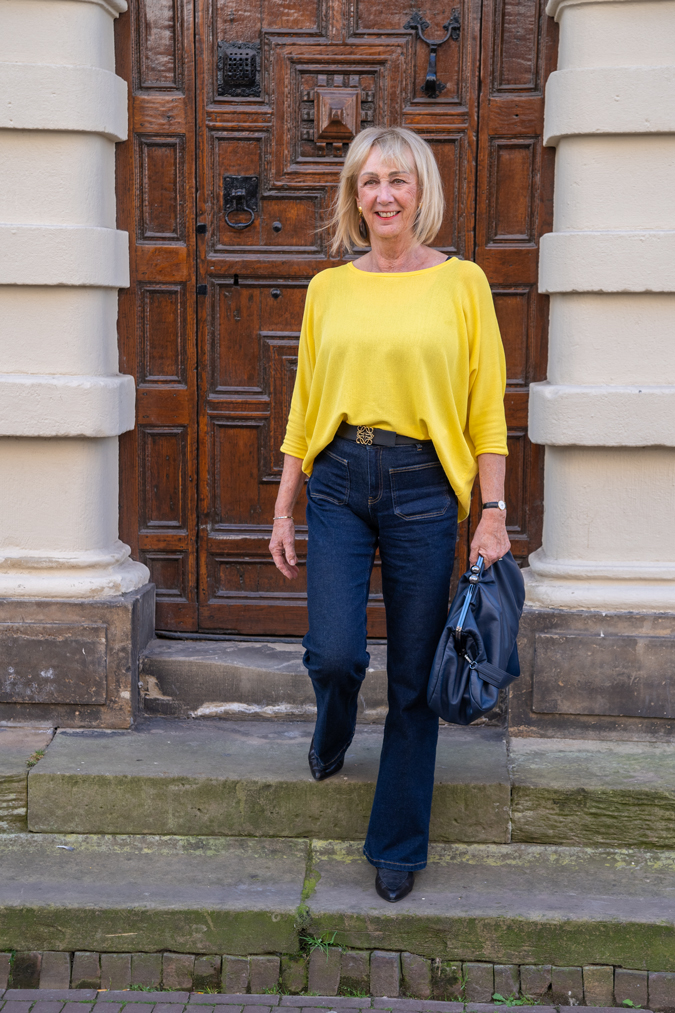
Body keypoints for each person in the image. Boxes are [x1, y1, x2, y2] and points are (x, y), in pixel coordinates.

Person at [268, 126, 510, 903]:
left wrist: (492, 511)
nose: (384, 196)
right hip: (338, 478)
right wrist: (283, 504)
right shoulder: (327, 289)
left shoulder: (462, 283)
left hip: (423, 487)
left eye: (399, 181)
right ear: (353, 194)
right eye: (370, 181)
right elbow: (305, 404)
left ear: (421, 191)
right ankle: (333, 723)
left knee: (413, 675)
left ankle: (397, 840)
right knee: (335, 652)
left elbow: (486, 410)